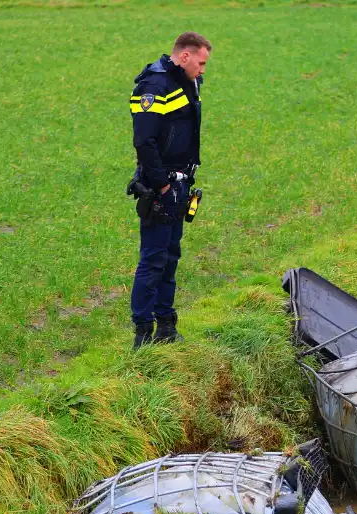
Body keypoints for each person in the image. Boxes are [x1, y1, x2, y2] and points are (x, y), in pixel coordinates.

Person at [128, 32, 211, 349]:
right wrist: (162, 183)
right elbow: (143, 142)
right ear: (185, 56)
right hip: (160, 186)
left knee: (171, 257)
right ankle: (142, 336)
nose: (203, 70)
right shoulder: (154, 86)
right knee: (153, 260)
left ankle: (166, 327)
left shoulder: (189, 82)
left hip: (181, 184)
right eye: (201, 63)